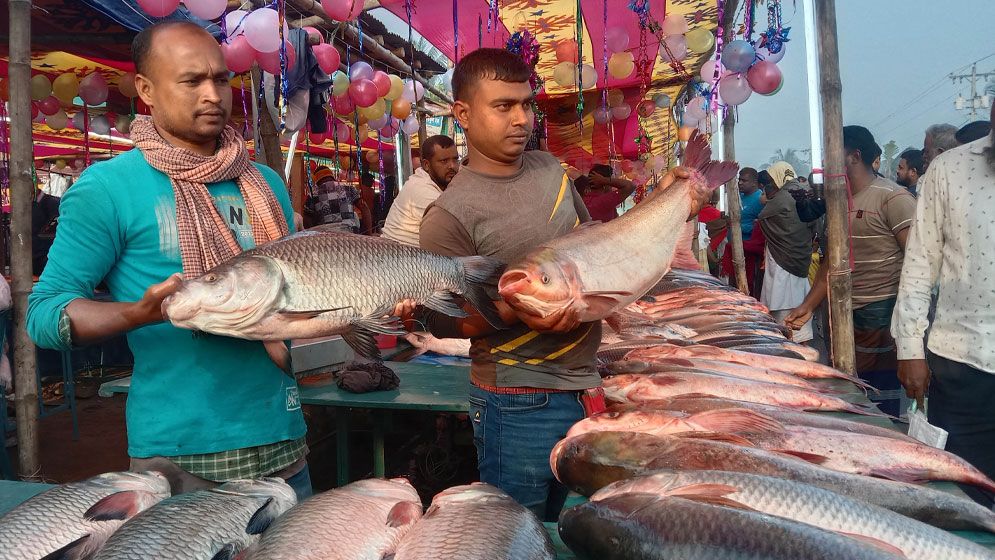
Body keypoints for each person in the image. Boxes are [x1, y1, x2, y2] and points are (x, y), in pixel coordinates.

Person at [26, 21, 310, 499]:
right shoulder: (108, 189)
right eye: (191, 80)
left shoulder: (264, 183)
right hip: (181, 457)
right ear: (146, 90)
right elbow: (44, 312)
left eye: (220, 79)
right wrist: (135, 314)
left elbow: (292, 298)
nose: (212, 94)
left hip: (284, 443)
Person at [411, 48, 687, 520]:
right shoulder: (450, 214)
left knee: (577, 530)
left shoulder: (549, 169)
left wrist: (668, 204)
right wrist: (512, 310)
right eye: (503, 106)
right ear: (462, 113)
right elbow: (436, 317)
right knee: (518, 533)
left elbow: (591, 244)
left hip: (585, 385)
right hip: (517, 403)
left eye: (525, 104)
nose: (520, 118)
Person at [892, 103, 995, 507]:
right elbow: (920, 264)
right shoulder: (948, 170)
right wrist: (910, 349)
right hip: (961, 363)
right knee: (961, 503)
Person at [786, 126, 916, 416]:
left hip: (880, 313)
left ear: (854, 156)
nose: (825, 160)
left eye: (832, 153)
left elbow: (918, 261)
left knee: (880, 399)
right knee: (850, 391)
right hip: (842, 314)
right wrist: (807, 306)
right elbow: (833, 260)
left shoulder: (892, 198)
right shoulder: (838, 201)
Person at [756, 163, 814, 344]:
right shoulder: (800, 191)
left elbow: (763, 216)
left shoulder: (784, 196)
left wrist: (765, 200)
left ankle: (799, 362)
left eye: (771, 181)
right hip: (798, 259)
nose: (769, 186)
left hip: (784, 265)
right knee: (797, 317)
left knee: (787, 320)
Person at [382, 135, 459, 246]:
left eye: (455, 159)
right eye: (444, 161)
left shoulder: (439, 185)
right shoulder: (422, 190)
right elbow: (459, 227)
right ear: (426, 165)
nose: (452, 166)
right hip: (402, 259)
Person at [303, 165, 371, 233]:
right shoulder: (349, 188)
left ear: (317, 181)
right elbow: (364, 208)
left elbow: (307, 220)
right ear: (332, 176)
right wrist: (367, 233)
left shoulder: (313, 194)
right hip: (350, 234)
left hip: (326, 238)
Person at [737, 167, 763, 239]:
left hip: (750, 245)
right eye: (739, 180)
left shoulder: (760, 199)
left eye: (744, 181)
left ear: (754, 183)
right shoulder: (738, 196)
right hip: (735, 243)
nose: (740, 183)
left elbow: (762, 226)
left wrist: (737, 226)